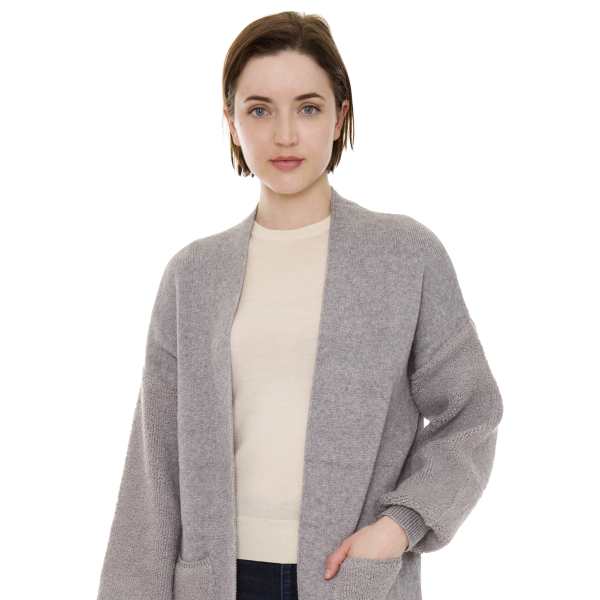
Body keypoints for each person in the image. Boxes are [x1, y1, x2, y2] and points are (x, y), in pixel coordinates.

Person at [97, 11, 503, 600]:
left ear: (339, 117)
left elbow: (471, 412)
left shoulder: (405, 255)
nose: (284, 135)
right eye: (259, 110)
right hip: (217, 580)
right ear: (232, 123)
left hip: (352, 578)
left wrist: (399, 525)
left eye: (308, 108)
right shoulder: (194, 274)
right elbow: (154, 467)